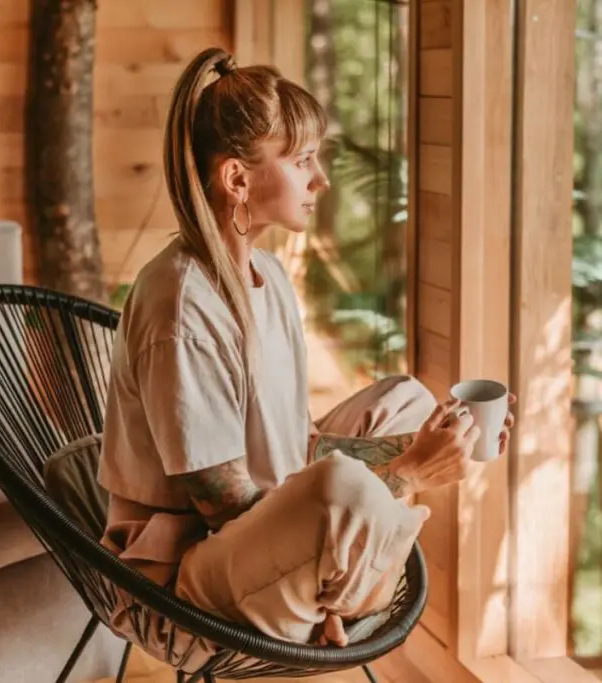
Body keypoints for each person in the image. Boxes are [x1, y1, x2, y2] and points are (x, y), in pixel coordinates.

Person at [97, 47, 516, 652]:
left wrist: (423, 442)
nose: (321, 180)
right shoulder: (181, 306)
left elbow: (302, 446)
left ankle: (331, 593)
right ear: (237, 178)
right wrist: (410, 473)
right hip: (182, 581)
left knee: (407, 400)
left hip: (253, 545)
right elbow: (228, 511)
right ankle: (340, 597)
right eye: (303, 161)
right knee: (339, 492)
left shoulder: (264, 273)